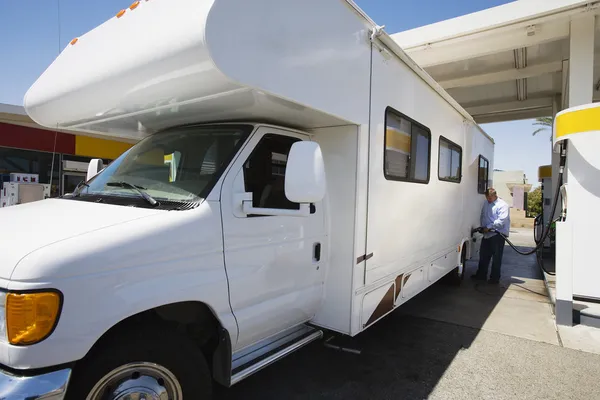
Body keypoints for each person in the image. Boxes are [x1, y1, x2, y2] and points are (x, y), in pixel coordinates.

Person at [471, 188, 510, 284]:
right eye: (487, 198)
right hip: (487, 234)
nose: (488, 199)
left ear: (494, 195)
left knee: (496, 258)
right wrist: (483, 227)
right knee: (484, 256)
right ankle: (481, 275)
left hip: (497, 234)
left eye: (489, 198)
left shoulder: (503, 205)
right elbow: (484, 215)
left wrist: (488, 227)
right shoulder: (486, 203)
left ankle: (494, 278)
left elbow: (501, 221)